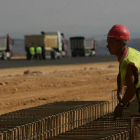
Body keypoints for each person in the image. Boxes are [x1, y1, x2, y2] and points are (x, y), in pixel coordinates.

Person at [106, 24, 140, 118]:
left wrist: (121, 105)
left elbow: (131, 90)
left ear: (120, 43)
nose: (107, 46)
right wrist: (120, 92)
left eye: (110, 42)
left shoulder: (128, 62)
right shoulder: (130, 53)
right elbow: (121, 73)